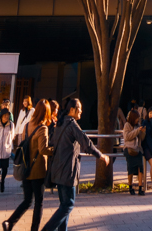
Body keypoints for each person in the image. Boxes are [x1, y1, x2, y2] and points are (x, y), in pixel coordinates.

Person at [40, 98, 109, 230]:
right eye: (79, 109)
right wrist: (100, 155)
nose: (81, 111)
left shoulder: (60, 124)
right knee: (68, 205)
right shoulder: (71, 125)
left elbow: (53, 143)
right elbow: (86, 143)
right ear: (72, 110)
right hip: (67, 172)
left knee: (64, 205)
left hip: (57, 170)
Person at [3, 99, 51, 231]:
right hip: (37, 171)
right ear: (46, 112)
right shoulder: (42, 128)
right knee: (38, 202)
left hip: (25, 169)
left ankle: (10, 222)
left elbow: (22, 143)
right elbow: (43, 149)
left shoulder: (26, 125)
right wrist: (55, 150)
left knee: (27, 200)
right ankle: (34, 229)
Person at [0, 108, 15, 195]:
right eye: (5, 116)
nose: (6, 117)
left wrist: (7, 145)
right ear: (1, 116)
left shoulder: (11, 125)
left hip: (5, 150)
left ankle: (2, 181)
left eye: (8, 115)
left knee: (5, 169)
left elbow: (12, 136)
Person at [122, 109, 146, 195]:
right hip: (129, 149)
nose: (137, 120)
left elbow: (141, 138)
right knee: (131, 168)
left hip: (137, 149)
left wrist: (143, 132)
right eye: (136, 118)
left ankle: (140, 187)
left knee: (141, 167)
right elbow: (127, 137)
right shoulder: (127, 125)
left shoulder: (138, 125)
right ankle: (130, 186)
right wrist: (137, 131)